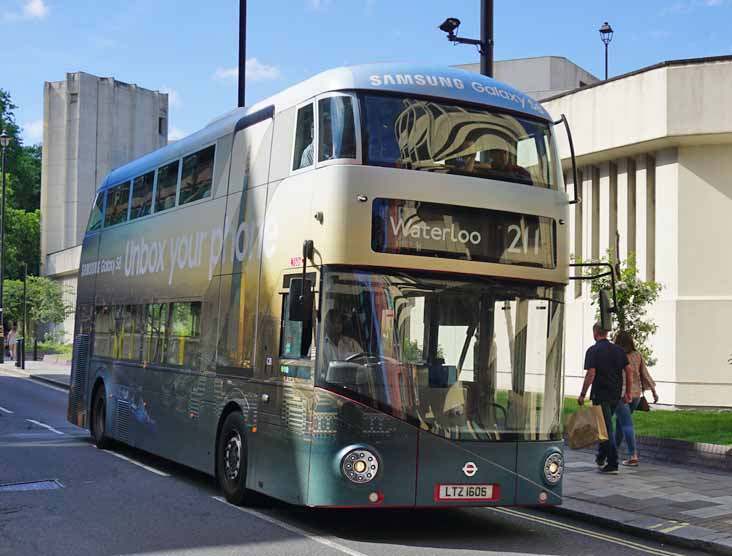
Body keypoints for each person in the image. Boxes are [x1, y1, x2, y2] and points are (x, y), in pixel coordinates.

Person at [578, 322, 633, 474]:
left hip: (600, 395)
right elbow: (629, 372)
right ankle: (601, 456)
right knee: (604, 426)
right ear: (606, 333)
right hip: (616, 395)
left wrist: (583, 394)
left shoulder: (593, 350)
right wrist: (628, 392)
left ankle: (613, 463)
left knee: (607, 429)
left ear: (595, 332)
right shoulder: (618, 350)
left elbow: (591, 373)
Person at [613, 330, 659, 466]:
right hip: (636, 395)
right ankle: (613, 453)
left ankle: (633, 455)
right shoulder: (637, 355)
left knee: (626, 424)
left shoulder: (616, 355)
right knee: (620, 424)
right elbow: (645, 374)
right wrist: (654, 391)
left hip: (622, 395)